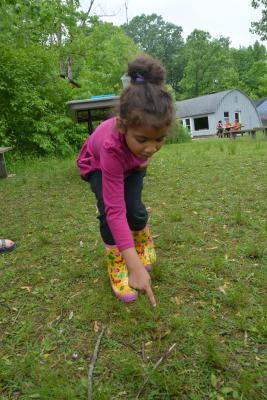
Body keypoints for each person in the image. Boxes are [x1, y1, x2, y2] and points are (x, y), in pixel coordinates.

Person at [77, 55, 174, 306]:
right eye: (143, 140)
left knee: (135, 208)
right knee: (110, 215)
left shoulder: (145, 144)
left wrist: (141, 155)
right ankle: (117, 262)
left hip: (130, 161)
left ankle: (142, 236)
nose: (152, 148)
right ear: (123, 127)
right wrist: (135, 267)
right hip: (99, 164)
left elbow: (147, 147)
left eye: (160, 139)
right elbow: (115, 211)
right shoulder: (111, 148)